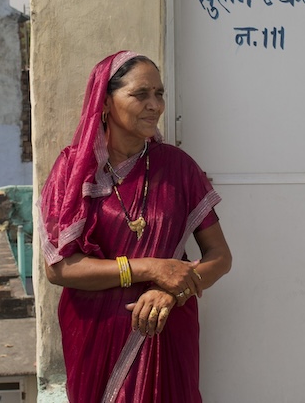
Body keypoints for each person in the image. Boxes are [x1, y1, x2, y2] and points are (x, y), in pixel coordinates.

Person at [39, 51, 233, 402]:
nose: (154, 105)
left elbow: (220, 257)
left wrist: (175, 292)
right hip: (94, 336)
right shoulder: (73, 171)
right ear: (105, 102)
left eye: (159, 94)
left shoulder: (178, 167)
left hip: (167, 328)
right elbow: (59, 269)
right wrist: (149, 268)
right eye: (140, 94)